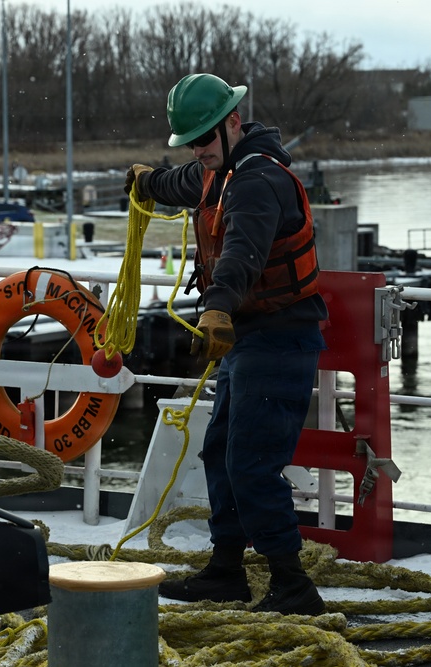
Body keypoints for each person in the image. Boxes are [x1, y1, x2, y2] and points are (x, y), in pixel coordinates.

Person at [125, 73, 328, 615]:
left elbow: (242, 251)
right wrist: (148, 184)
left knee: (252, 464)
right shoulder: (224, 168)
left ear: (233, 122)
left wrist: (216, 305)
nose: (199, 151)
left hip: (281, 339)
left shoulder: (259, 182)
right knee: (221, 451)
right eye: (191, 142)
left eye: (205, 139)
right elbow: (186, 182)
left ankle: (292, 585)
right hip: (246, 340)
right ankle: (227, 570)